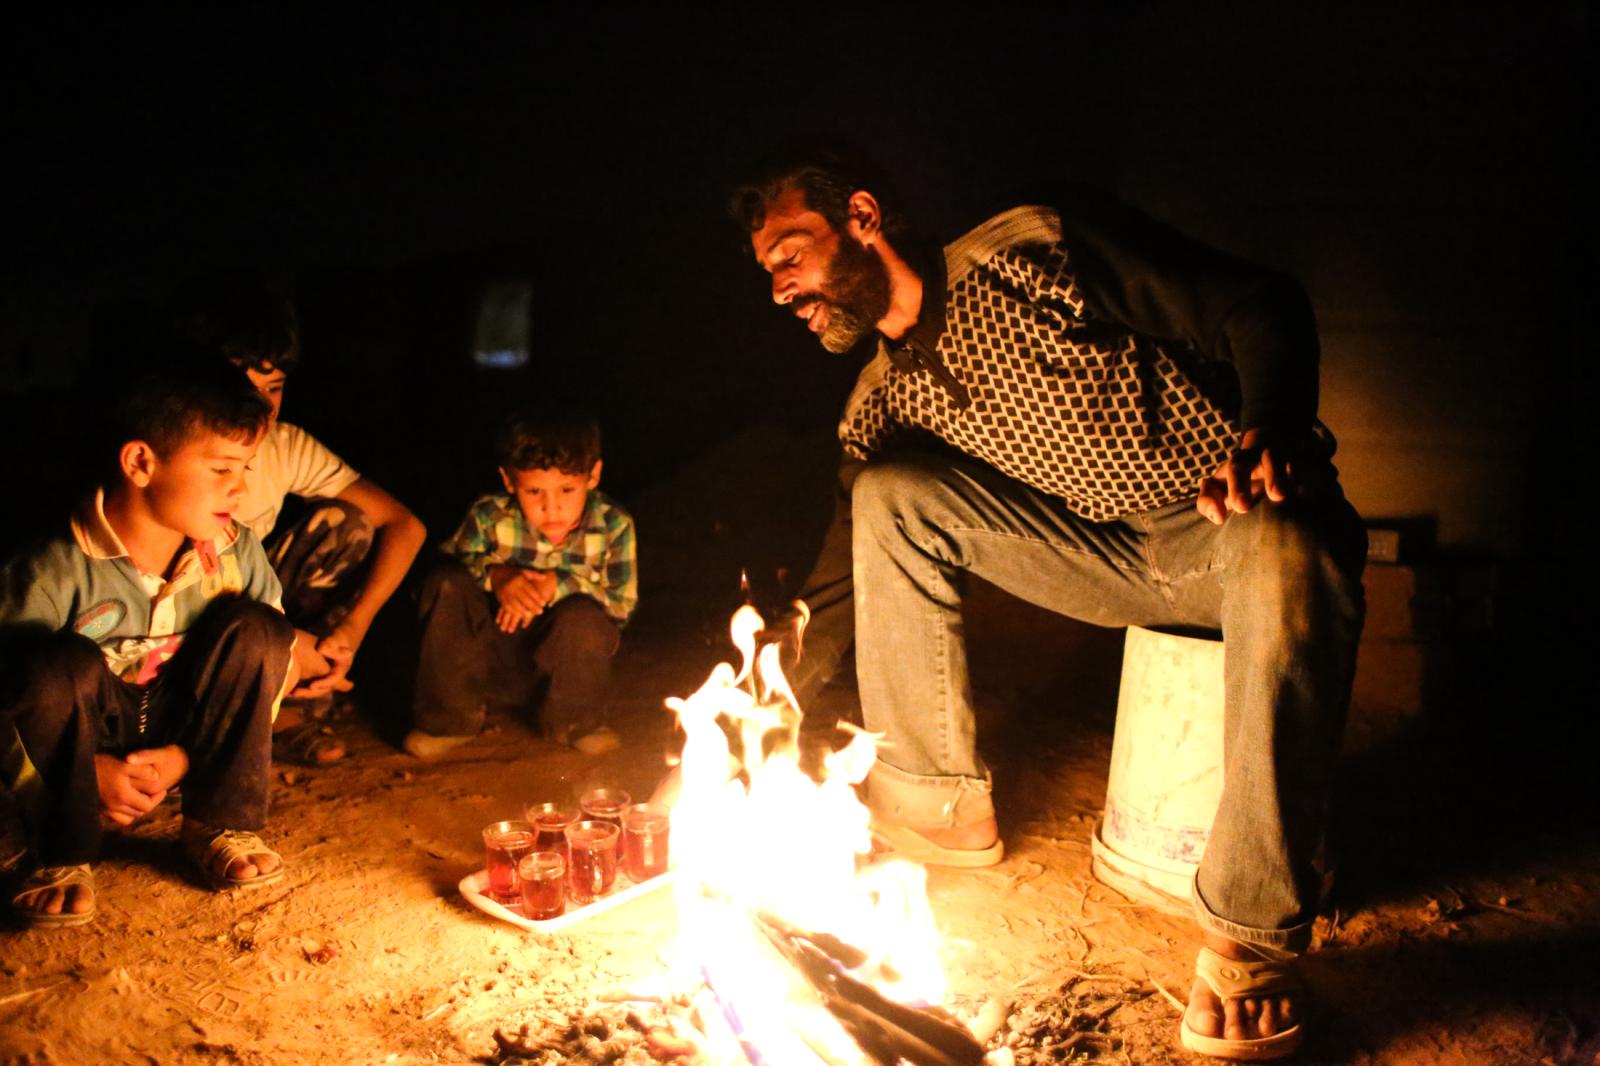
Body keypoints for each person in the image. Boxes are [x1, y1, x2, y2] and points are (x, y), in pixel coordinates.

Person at [730, 154, 1366, 1061]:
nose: (781, 288)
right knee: (887, 495)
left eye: (790, 253)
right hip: (1105, 558)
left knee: (1283, 542)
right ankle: (937, 801)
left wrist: (1273, 430)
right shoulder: (877, 402)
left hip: (1230, 521)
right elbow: (836, 584)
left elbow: (1259, 304)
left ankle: (1248, 935)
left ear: (862, 217)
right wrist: (757, 714)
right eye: (768, 273)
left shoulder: (1034, 252)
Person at [0, 360, 299, 928]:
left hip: (179, 728)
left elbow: (274, 669)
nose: (240, 487)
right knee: (47, 663)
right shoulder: (51, 568)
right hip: (83, 737)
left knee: (263, 630)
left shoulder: (237, 553)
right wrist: (87, 770)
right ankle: (61, 849)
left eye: (245, 468)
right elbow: (11, 699)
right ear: (141, 462)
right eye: (220, 469)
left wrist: (190, 759)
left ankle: (217, 820)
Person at [173, 275, 427, 766]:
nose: (262, 409)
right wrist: (287, 642)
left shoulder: (284, 446)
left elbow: (405, 524)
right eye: (244, 387)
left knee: (347, 524)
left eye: (274, 387)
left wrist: (351, 628)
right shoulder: (170, 458)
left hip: (247, 607)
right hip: (178, 619)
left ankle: (288, 697)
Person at [406, 409, 637, 759]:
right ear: (509, 481)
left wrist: (557, 586)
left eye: (566, 489)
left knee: (585, 619)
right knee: (445, 583)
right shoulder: (489, 517)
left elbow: (621, 604)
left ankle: (576, 723)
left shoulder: (614, 525)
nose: (552, 507)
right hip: (490, 660)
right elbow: (442, 567)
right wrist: (498, 576)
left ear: (594, 475)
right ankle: (447, 721)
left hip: (558, 673)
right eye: (533, 492)